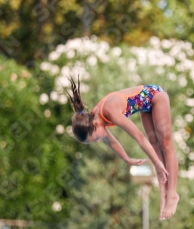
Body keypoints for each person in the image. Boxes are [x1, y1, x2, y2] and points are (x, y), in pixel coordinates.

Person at [67, 77, 179, 221]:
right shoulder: (96, 121)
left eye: (95, 138)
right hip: (145, 106)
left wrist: (157, 163)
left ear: (94, 125)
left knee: (166, 144)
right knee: (154, 146)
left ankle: (172, 194)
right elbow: (112, 142)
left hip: (155, 96)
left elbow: (139, 137)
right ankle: (164, 195)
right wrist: (127, 159)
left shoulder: (109, 111)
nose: (99, 140)